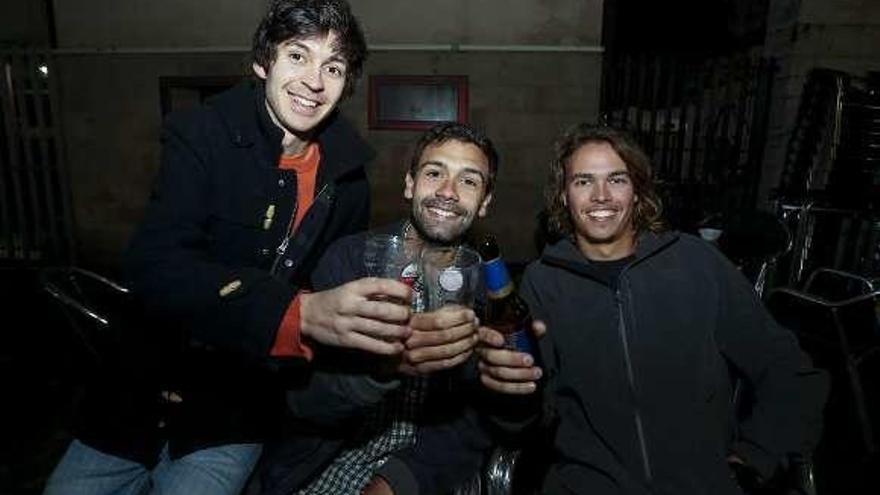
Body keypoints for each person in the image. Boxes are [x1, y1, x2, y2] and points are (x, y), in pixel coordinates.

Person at [43, 1, 416, 494]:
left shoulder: (348, 183)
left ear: (346, 84)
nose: (314, 81)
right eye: (298, 56)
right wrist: (292, 313)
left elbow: (330, 298)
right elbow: (153, 267)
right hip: (132, 396)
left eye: (333, 66)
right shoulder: (201, 134)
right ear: (263, 62)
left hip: (232, 412)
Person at [477, 123, 828, 494]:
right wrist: (508, 390)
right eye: (583, 181)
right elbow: (531, 418)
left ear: (638, 190)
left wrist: (756, 457)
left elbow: (789, 371)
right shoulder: (542, 283)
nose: (600, 196)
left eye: (617, 179)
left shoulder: (697, 263)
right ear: (564, 195)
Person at [260, 122, 499, 495]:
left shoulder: (491, 290)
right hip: (330, 461)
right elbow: (300, 400)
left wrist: (398, 481)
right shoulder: (349, 262)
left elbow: (475, 421)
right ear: (409, 184)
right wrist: (377, 371)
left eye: (469, 181)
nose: (448, 192)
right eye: (434, 173)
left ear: (484, 202)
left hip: (429, 472)